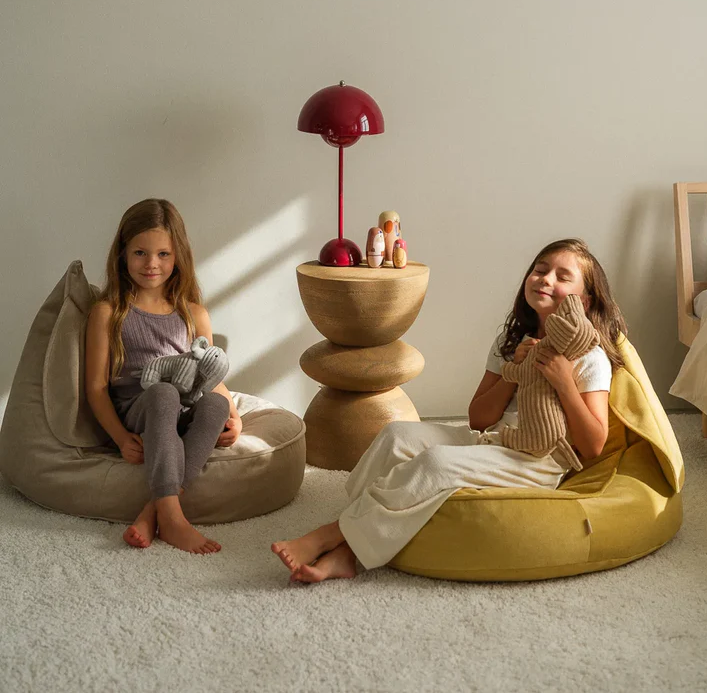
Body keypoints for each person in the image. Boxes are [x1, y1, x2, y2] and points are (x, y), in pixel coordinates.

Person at [271, 238, 626, 582]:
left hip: (538, 459)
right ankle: (353, 538)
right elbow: (478, 419)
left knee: (435, 464)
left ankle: (335, 538)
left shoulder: (589, 357)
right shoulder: (510, 342)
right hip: (493, 439)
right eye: (540, 269)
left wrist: (564, 383)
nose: (545, 279)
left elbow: (593, 445)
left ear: (585, 300)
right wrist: (514, 372)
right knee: (396, 436)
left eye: (563, 277)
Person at [85, 199, 243, 553]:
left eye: (163, 254)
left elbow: (209, 376)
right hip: (139, 407)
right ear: (123, 254)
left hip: (182, 407)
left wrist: (236, 418)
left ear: (178, 256)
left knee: (214, 403)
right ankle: (173, 518)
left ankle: (153, 512)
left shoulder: (194, 314)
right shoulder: (108, 312)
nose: (151, 264)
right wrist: (120, 438)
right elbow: (96, 387)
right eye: (140, 253)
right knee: (163, 392)